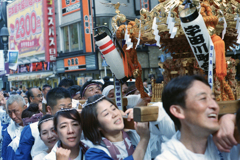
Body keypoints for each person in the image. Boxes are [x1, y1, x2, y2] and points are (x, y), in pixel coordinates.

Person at [155, 75, 237, 160]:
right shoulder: (169, 157)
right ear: (178, 111)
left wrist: (231, 118)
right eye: (203, 98)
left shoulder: (227, 144)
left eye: (213, 98)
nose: (215, 106)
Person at [81, 94, 175, 160]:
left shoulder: (136, 134)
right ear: (96, 125)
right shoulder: (94, 152)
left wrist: (149, 117)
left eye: (114, 108)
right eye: (106, 114)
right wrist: (144, 139)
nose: (114, 114)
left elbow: (166, 143)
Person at [15, 87, 72, 160]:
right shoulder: (32, 130)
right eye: (62, 109)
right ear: (49, 109)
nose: (67, 112)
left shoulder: (77, 126)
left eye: (69, 107)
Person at [2, 95, 27, 160]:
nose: (13, 116)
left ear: (25, 108)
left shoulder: (35, 125)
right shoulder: (9, 131)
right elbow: (4, 155)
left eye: (16, 111)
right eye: (9, 112)